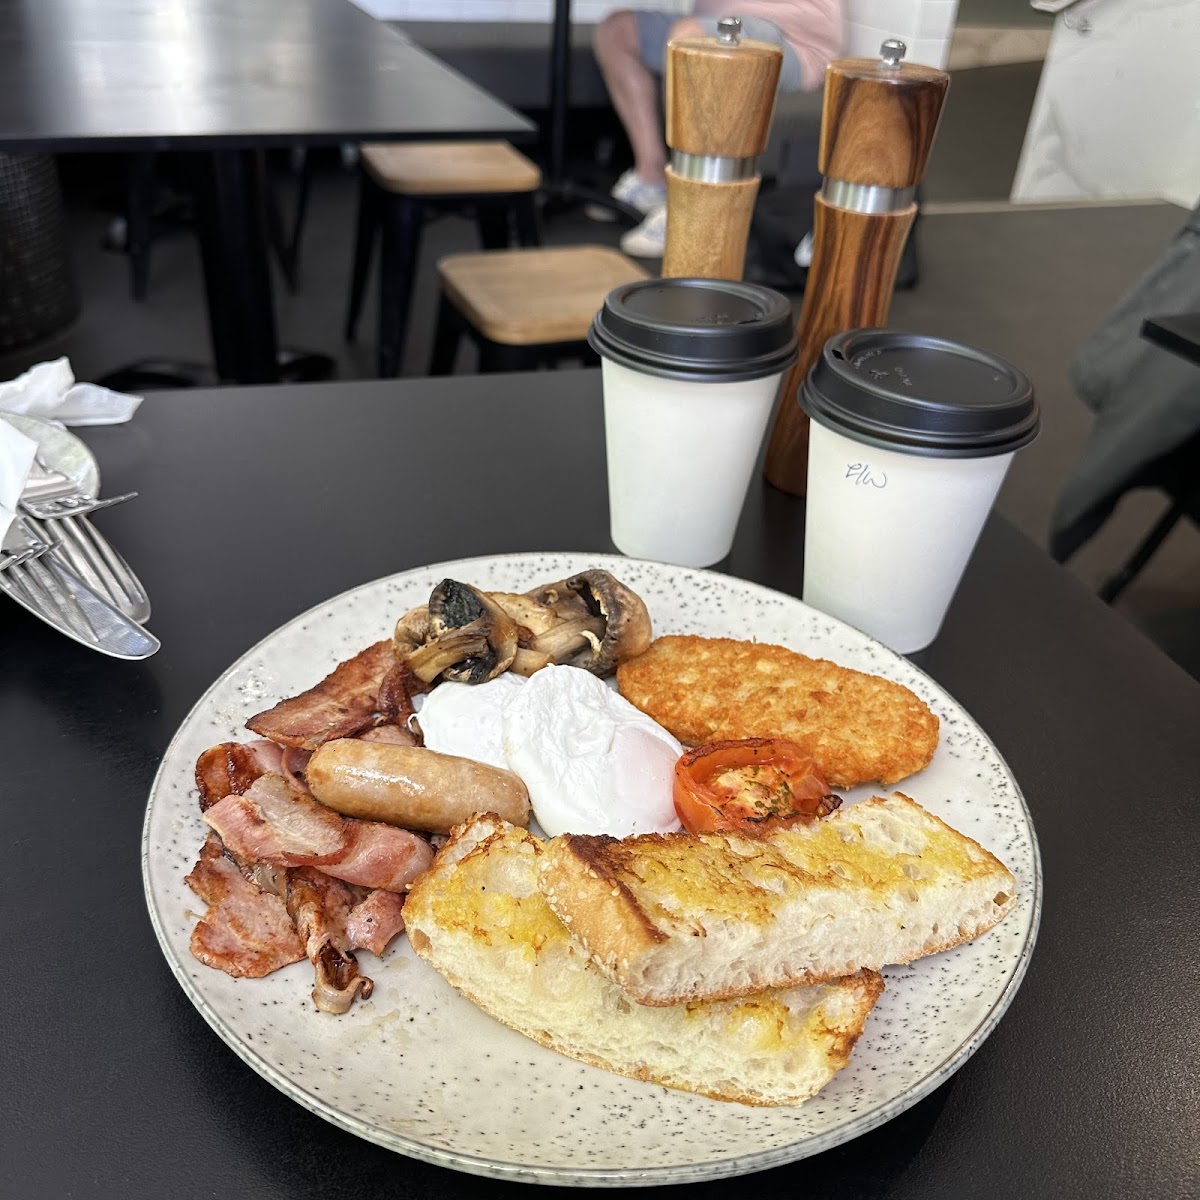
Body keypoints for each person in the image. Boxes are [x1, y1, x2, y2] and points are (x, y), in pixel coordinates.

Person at [591, 2, 844, 257]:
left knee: (691, 37)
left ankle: (688, 208)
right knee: (618, 31)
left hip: (792, 37)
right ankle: (652, 177)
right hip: (715, 21)